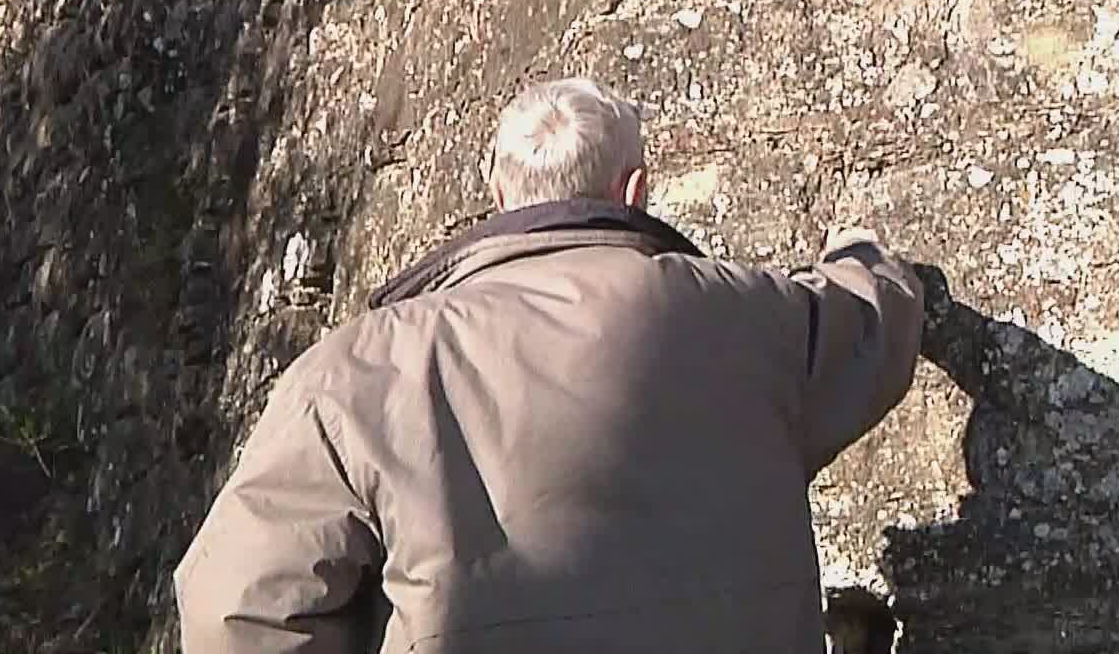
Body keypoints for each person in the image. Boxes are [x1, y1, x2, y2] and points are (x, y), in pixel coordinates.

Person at [173, 77, 926, 653]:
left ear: (499, 197)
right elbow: (874, 321)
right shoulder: (752, 317)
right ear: (634, 191)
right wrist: (859, 251)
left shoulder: (356, 370)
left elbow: (240, 604)